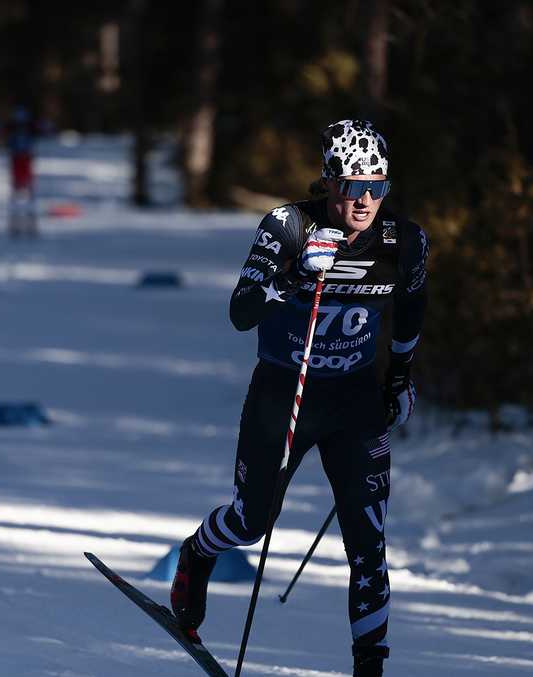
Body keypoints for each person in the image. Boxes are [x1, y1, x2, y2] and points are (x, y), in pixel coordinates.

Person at [169, 120, 428, 677]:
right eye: (352, 186)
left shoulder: (403, 242)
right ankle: (198, 552)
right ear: (328, 183)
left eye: (376, 187)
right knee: (250, 520)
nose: (364, 201)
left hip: (354, 399)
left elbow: (411, 308)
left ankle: (370, 667)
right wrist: (293, 276)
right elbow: (241, 313)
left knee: (369, 545)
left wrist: (401, 376)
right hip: (286, 390)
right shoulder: (287, 225)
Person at [0, 105, 52, 238]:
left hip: (24, 159)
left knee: (24, 191)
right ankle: (19, 222)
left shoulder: (25, 126)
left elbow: (46, 128)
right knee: (20, 192)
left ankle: (26, 221)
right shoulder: (15, 126)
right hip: (18, 160)